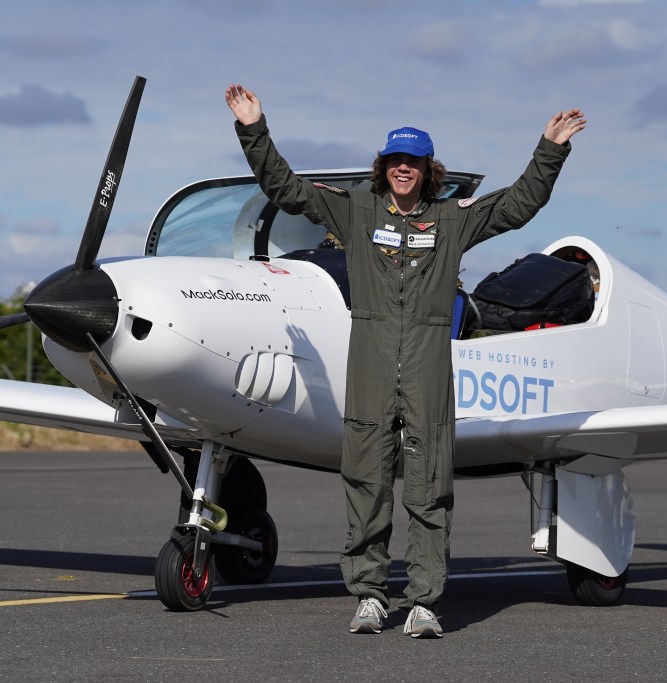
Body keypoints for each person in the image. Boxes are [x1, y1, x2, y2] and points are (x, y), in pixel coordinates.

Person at [225, 83, 585, 638]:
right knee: (365, 481)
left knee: (428, 487)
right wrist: (254, 129)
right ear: (383, 165)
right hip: (369, 366)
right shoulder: (354, 211)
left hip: (427, 370)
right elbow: (285, 187)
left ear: (427, 169)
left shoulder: (452, 219)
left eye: (412, 162)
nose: (402, 169)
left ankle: (424, 602)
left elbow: (519, 204)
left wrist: (549, 149)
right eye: (395, 160)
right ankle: (369, 595)